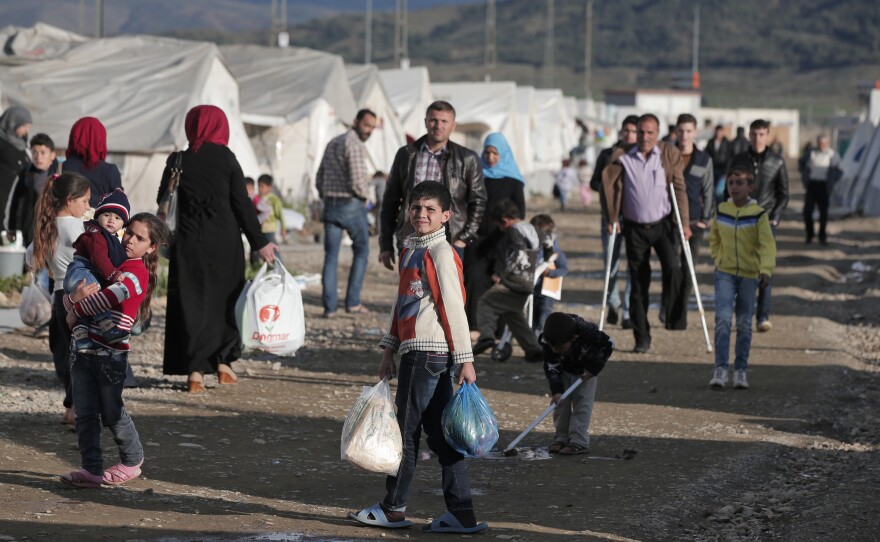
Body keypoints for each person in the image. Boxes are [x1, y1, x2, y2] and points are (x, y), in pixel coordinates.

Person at [349, 181, 487, 534]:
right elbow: (402, 305)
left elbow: (453, 306)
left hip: (428, 353)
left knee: (405, 433)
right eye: (415, 208)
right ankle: (461, 514)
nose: (421, 215)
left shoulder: (440, 253)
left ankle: (393, 508)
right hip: (417, 352)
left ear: (446, 216)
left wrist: (466, 359)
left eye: (429, 209)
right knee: (442, 438)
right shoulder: (412, 250)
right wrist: (388, 350)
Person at [158, 105, 277, 393]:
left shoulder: (178, 160)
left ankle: (195, 372)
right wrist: (260, 242)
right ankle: (224, 364)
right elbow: (242, 205)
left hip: (188, 243)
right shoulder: (227, 159)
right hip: (224, 244)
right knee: (225, 301)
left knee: (192, 303)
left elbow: (163, 199)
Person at [59, 213, 170, 488]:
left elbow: (109, 296)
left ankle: (132, 461)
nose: (130, 240)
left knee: (112, 411)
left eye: (140, 238)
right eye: (128, 233)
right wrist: (72, 301)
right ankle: (91, 470)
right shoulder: (110, 263)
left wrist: (75, 310)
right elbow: (74, 290)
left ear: (152, 247)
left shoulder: (136, 273)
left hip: (111, 355)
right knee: (84, 413)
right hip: (84, 352)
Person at [600, 113, 690, 353]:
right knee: (639, 283)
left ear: (657, 134)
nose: (645, 137)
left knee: (673, 268)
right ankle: (642, 337)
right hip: (635, 228)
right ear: (636, 132)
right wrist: (611, 218)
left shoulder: (667, 155)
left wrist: (685, 223)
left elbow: (679, 189)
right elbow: (608, 189)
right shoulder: (624, 158)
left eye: (650, 133)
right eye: (641, 132)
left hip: (662, 226)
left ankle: (668, 313)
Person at [378, 100, 487, 269]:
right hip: (410, 238)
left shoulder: (467, 158)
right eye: (433, 120)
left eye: (444, 121)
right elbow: (390, 201)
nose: (438, 126)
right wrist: (385, 245)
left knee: (445, 292)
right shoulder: (406, 154)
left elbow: (478, 201)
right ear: (426, 122)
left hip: (450, 241)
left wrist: (463, 239)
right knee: (411, 292)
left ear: (453, 125)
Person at [30, 172, 91, 425]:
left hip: (57, 294)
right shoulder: (78, 229)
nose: (87, 207)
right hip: (78, 295)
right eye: (85, 201)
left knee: (67, 353)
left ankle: (69, 407)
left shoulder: (47, 224)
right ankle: (77, 408)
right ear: (70, 200)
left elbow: (29, 257)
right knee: (82, 355)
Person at [708, 167, 776, 389]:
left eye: (740, 183)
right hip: (725, 273)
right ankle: (720, 368)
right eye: (731, 183)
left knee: (745, 323)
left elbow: (767, 244)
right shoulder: (722, 210)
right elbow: (714, 237)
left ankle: (740, 370)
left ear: (751, 187)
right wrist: (718, 258)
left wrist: (765, 269)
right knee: (723, 320)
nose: (734, 187)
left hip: (749, 275)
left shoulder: (758, 214)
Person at [728, 119, 788, 332]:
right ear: (750, 135)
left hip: (766, 221)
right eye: (754, 134)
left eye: (762, 134)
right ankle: (743, 315)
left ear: (767, 135)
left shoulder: (777, 161)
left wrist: (775, 217)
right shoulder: (739, 159)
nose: (757, 138)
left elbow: (783, 194)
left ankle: (762, 316)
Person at [315, 109, 376, 317]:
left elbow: (319, 175)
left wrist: (325, 194)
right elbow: (358, 179)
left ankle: (330, 308)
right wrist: (366, 197)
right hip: (350, 204)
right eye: (367, 125)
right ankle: (353, 302)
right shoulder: (355, 145)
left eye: (372, 127)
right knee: (361, 251)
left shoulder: (334, 142)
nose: (369, 131)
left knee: (330, 257)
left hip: (330, 204)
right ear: (355, 121)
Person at [463, 132, 525, 331]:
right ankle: (475, 325)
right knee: (474, 277)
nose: (490, 157)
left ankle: (498, 329)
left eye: (495, 153)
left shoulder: (513, 180)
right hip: (477, 239)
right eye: (487, 152)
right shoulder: (476, 175)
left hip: (503, 240)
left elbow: (520, 212)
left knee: (499, 281)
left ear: (503, 154)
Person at [472, 200, 544, 362]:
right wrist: (548, 257)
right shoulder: (532, 228)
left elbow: (518, 254)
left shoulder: (513, 231)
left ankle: (486, 336)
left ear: (505, 221)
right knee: (513, 314)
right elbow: (546, 240)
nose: (500, 229)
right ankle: (533, 349)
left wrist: (503, 275)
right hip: (528, 282)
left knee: (486, 302)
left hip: (514, 281)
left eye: (499, 226)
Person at [64, 189, 132, 350]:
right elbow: (99, 259)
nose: (111, 220)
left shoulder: (111, 239)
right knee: (96, 299)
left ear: (123, 224)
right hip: (83, 273)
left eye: (117, 218)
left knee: (85, 310)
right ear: (97, 216)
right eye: (106, 215)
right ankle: (108, 328)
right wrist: (113, 274)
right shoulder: (96, 236)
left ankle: (81, 338)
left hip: (78, 276)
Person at [540, 312, 614, 455]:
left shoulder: (589, 334)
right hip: (563, 369)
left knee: (582, 404)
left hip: (585, 372)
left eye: (560, 348)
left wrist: (593, 369)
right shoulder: (547, 339)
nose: (555, 350)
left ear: (574, 338)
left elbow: (610, 344)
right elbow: (551, 365)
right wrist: (556, 391)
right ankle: (561, 437)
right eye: (552, 347)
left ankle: (579, 441)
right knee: (561, 404)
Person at [591, 115, 638, 329]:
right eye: (626, 130)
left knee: (633, 265)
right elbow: (594, 182)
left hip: (635, 217)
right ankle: (613, 302)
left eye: (634, 131)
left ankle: (627, 309)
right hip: (611, 217)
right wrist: (608, 186)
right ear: (621, 132)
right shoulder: (608, 154)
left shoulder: (642, 156)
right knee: (611, 263)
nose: (630, 135)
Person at [672, 113, 714, 323]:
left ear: (695, 132)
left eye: (689, 131)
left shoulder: (704, 159)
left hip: (695, 221)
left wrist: (706, 219)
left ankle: (680, 314)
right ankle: (668, 308)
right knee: (671, 267)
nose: (684, 135)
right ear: (675, 131)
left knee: (688, 268)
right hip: (670, 220)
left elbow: (708, 191)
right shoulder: (667, 155)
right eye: (681, 131)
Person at [5, 133, 59, 247]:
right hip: (29, 231)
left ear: (52, 155)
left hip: (54, 231)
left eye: (43, 153)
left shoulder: (60, 174)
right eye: (35, 152)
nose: (38, 157)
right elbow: (13, 202)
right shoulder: (25, 174)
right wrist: (11, 227)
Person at [63, 117, 122, 207]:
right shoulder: (110, 171)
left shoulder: (61, 167)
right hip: (99, 220)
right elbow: (119, 205)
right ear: (100, 139)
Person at [530, 214, 568, 334]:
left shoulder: (554, 249)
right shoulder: (530, 248)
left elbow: (564, 268)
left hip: (547, 292)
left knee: (544, 320)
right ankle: (535, 343)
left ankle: (542, 343)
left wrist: (550, 272)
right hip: (531, 290)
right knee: (532, 320)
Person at [802, 135, 841, 245]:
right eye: (820, 143)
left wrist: (832, 182)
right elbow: (802, 164)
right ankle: (810, 235)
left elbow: (839, 170)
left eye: (824, 143)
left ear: (828, 143)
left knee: (823, 212)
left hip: (824, 186)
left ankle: (822, 236)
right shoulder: (811, 153)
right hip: (812, 184)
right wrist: (805, 177)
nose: (821, 145)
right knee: (807, 211)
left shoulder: (833, 155)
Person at [0, 105, 32, 232]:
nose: (26, 131)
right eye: (24, 126)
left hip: (17, 193)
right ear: (13, 123)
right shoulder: (2, 142)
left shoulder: (21, 143)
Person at [257, 174, 287, 247]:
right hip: (259, 229)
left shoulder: (274, 199)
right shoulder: (257, 199)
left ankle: (278, 259)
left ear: (269, 187)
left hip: (269, 229)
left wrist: (283, 228)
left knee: (272, 249)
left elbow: (280, 215)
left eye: (262, 186)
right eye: (259, 186)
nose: (260, 188)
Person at [705, 125, 731, 199]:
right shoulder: (711, 142)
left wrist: (726, 172)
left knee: (719, 190)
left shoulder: (727, 143)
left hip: (723, 169)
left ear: (722, 132)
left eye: (720, 132)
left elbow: (729, 158)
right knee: (711, 188)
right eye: (717, 132)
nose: (718, 133)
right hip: (712, 169)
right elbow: (707, 155)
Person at [370, 170, 387, 235]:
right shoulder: (384, 180)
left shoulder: (379, 180)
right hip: (384, 201)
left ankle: (379, 233)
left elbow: (370, 183)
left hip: (381, 201)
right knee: (381, 216)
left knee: (379, 217)